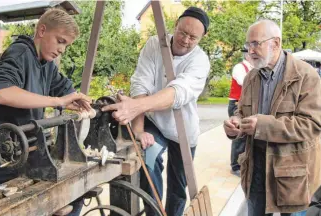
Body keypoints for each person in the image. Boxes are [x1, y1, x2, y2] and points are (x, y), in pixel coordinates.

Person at [0, 9, 91, 216]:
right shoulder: (19, 53)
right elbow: (1, 93)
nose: (62, 50)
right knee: (55, 201)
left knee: (76, 192)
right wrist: (57, 101)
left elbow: (64, 88)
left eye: (66, 45)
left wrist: (80, 100)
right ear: (42, 30)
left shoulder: (46, 64)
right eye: (60, 41)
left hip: (22, 152)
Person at [102, 7, 210, 216]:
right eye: (182, 33)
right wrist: (139, 130)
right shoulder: (154, 44)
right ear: (175, 26)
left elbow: (179, 92)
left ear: (201, 38)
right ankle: (155, 212)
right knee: (148, 164)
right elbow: (141, 84)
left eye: (193, 37)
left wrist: (135, 107)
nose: (185, 40)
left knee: (178, 187)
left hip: (183, 130)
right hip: (155, 123)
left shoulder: (200, 60)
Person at [223, 19, 321, 216]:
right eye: (248, 45)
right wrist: (235, 124)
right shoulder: (251, 76)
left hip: (292, 173)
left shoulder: (306, 76)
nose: (250, 50)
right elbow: (241, 112)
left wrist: (263, 125)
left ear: (275, 43)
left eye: (255, 43)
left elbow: (312, 124)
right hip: (256, 168)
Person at [228, 51, 253, 176]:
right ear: (246, 55)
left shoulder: (253, 68)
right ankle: (236, 166)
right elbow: (245, 82)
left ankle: (242, 163)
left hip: (246, 104)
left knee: (246, 135)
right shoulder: (239, 67)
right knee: (238, 134)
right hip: (237, 104)